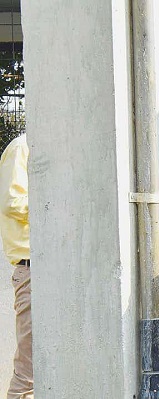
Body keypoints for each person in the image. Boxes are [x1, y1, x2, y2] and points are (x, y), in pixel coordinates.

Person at [0, 134, 33, 399]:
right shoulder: (23, 147)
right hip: (32, 270)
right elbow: (12, 202)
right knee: (29, 374)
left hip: (56, 269)